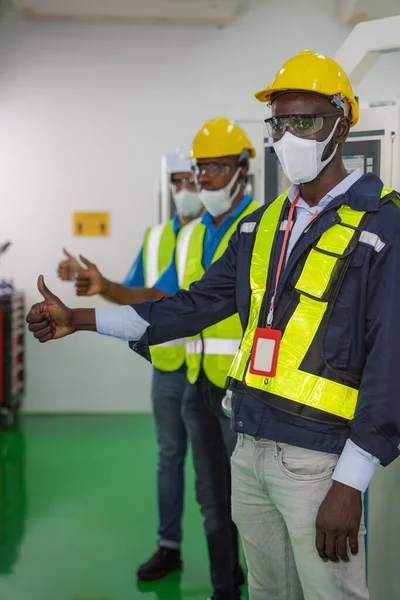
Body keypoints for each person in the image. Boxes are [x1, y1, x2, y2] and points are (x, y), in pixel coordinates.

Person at [28, 60, 400, 599]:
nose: (288, 136)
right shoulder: (261, 226)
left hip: (319, 462)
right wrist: (80, 319)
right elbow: (187, 307)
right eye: (279, 124)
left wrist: (352, 480)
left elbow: (390, 359)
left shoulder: (382, 226)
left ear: (341, 125)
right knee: (269, 592)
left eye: (305, 122)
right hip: (249, 449)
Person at [28, 117, 258, 600]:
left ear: (243, 169)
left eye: (217, 167)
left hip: (248, 391)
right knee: (211, 499)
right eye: (199, 170)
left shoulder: (261, 226)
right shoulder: (192, 236)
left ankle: (252, 582)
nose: (204, 180)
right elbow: (172, 299)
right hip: (196, 381)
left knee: (254, 504)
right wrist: (96, 302)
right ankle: (224, 589)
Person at [57, 146, 203, 582]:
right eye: (176, 182)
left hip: (212, 372)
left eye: (190, 180)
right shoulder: (157, 237)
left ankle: (229, 557)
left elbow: (184, 301)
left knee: (224, 471)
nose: (183, 190)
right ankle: (168, 547)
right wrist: (100, 286)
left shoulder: (224, 236)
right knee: (170, 458)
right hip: (167, 368)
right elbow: (134, 295)